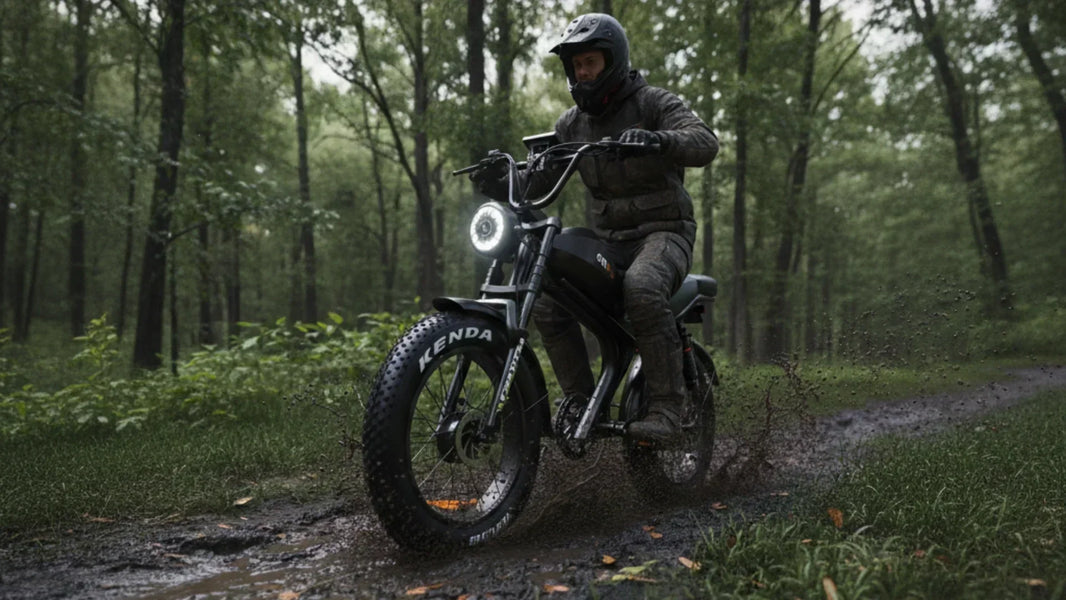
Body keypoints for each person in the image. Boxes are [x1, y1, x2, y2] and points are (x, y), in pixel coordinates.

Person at [476, 13, 718, 442]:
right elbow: (540, 180)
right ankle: (581, 402)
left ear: (613, 60)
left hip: (665, 233)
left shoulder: (653, 103)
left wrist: (660, 140)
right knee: (548, 299)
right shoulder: (571, 124)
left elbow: (704, 141)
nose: (583, 72)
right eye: (577, 65)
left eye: (590, 62)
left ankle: (667, 409)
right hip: (610, 241)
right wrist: (503, 182)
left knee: (642, 286)